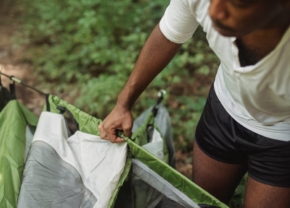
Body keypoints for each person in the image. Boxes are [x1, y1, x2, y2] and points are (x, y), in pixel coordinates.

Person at [98, 0, 290, 207]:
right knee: (201, 201)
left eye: (237, 3)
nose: (214, 11)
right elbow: (168, 34)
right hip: (223, 109)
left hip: (283, 136)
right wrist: (123, 104)